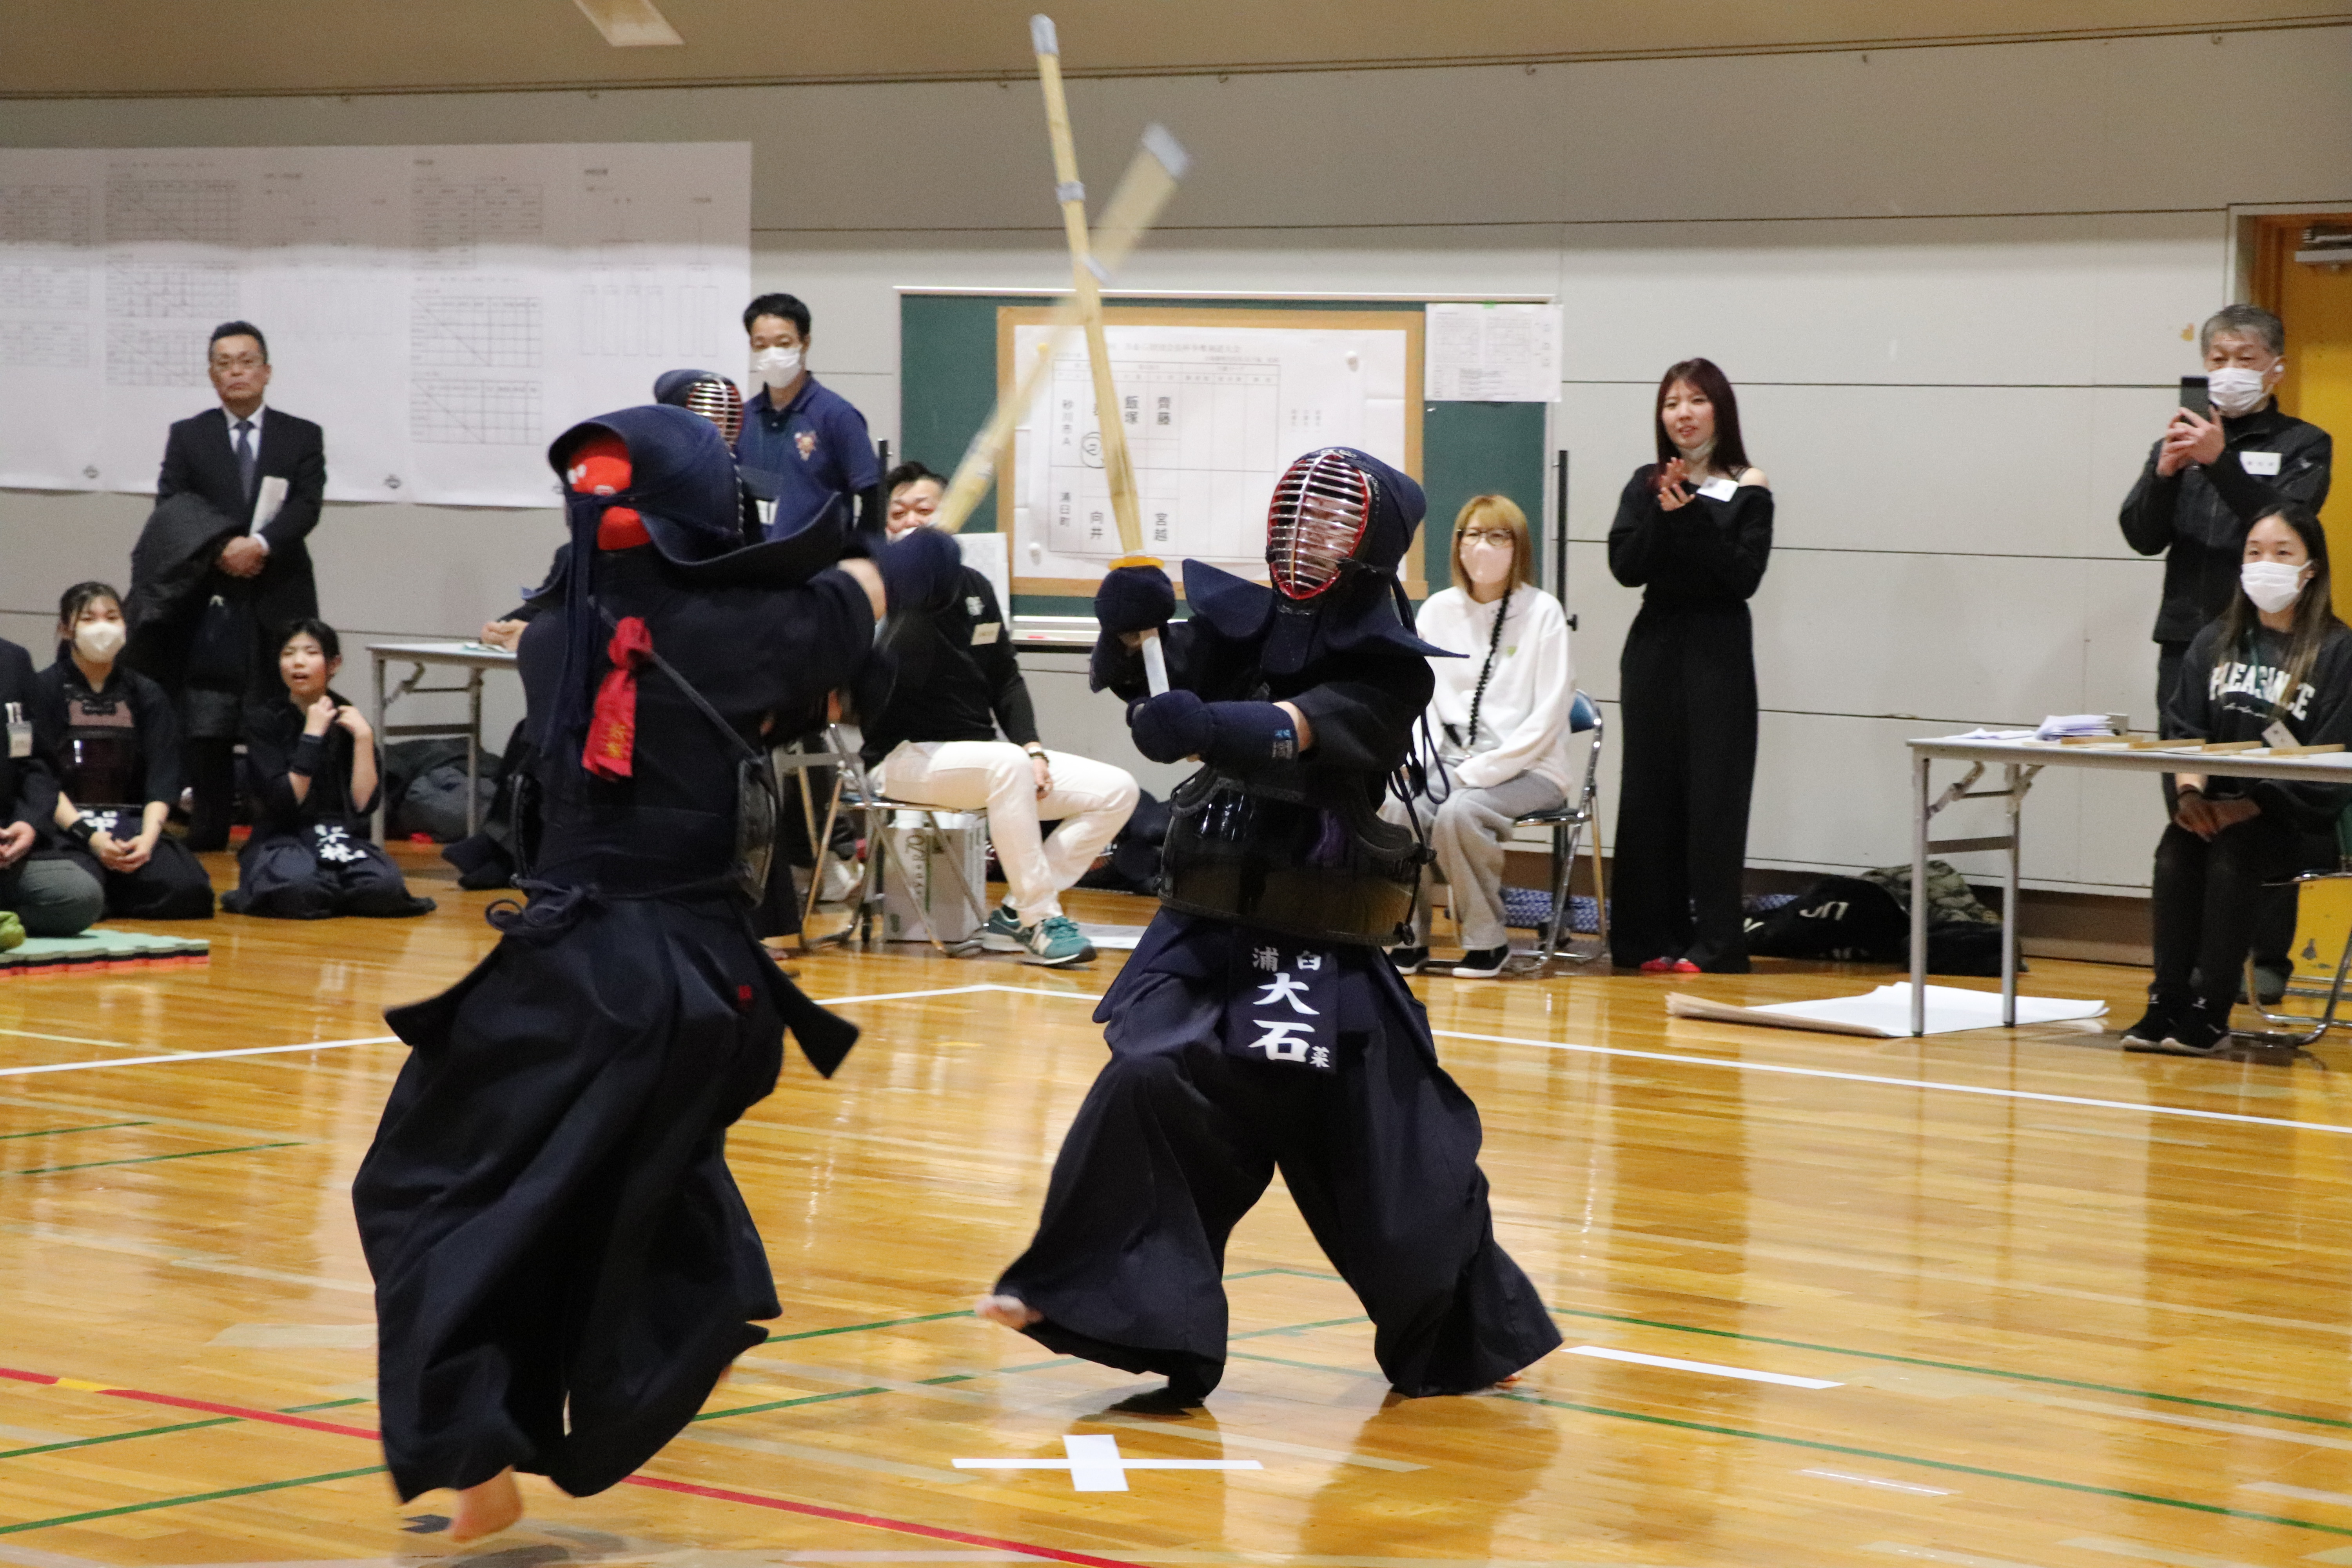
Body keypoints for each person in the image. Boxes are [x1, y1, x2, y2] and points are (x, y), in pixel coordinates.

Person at [353, 403, 960, 1540]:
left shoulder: (554, 633)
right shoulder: (742, 634)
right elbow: (843, 613)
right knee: (620, 1179)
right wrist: (912, 562)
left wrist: (870, 587)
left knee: (429, 1184)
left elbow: (794, 635)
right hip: (691, 981)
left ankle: (484, 1439)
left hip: (596, 975)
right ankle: (687, 1328)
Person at [975, 446, 1562, 1407]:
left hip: (1323, 944)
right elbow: (1156, 676)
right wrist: (1127, 630)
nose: (1307, 535)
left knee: (1402, 1164)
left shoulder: (1389, 670)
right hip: (1211, 924)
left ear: (1369, 543)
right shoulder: (1238, 625)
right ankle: (1120, 1309)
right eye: (1299, 514)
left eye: (1333, 519)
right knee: (1148, 1079)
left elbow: (1301, 725)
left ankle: (1471, 1332)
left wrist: (1208, 727)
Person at [2119, 303, 2332, 1002]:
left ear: (2276, 368)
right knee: (2192, 802)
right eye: (2218, 359)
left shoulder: (2305, 444)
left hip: (2275, 643)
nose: (2230, 371)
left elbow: (2286, 522)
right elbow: (2141, 535)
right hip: (2190, 640)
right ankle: (2195, 969)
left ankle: (2267, 959)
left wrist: (2222, 462)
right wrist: (2164, 472)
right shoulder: (2180, 437)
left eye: (2245, 359)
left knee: (2266, 802)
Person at [862, 461, 1138, 966]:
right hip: (901, 760)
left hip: (981, 763)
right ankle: (1039, 918)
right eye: (898, 513)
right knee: (1006, 764)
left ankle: (1013, 912)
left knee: (1116, 790)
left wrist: (1033, 748)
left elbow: (1006, 678)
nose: (911, 521)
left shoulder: (976, 588)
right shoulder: (881, 593)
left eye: (924, 510)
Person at [2126, 505, 2352, 1057]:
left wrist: (2244, 809)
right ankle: (2167, 1000)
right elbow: (2185, 733)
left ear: (2311, 569)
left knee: (2234, 851)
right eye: (2254, 552)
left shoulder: (2337, 650)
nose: (2265, 563)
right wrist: (2190, 796)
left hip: (2299, 822)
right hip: (2217, 809)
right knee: (2176, 848)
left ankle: (2213, 1009)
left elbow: (2335, 760)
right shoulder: (2214, 640)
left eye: (2282, 552)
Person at [1607, 357, 1772, 974]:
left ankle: (1716, 943)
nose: (1683, 413)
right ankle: (1650, 937)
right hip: (1655, 645)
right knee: (1649, 792)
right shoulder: (1645, 483)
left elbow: (1742, 577)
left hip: (1718, 647)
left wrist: (1692, 516)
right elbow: (1627, 568)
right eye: (1672, 402)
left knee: (1714, 795)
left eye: (1696, 401)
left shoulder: (1749, 484)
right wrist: (1661, 512)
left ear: (1719, 410)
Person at [148, 321, 327, 851]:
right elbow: (172, 504)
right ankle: (208, 828)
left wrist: (261, 545)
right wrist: (223, 547)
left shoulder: (301, 435)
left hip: (280, 591)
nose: (236, 372)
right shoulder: (190, 435)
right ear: (212, 375)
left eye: (246, 362)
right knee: (208, 715)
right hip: (211, 592)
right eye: (224, 364)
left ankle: (278, 828)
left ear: (266, 371)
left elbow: (307, 506)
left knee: (276, 708)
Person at [1384, 494, 1575, 978]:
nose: (1482, 546)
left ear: (1518, 547)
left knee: (1460, 812)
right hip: (1450, 760)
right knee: (1400, 807)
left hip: (1530, 767)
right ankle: (1406, 935)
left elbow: (1549, 714)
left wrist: (1480, 772)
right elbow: (1421, 699)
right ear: (1457, 545)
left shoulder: (1543, 612)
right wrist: (1413, 760)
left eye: (1497, 536)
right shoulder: (1438, 611)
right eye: (1472, 535)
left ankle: (1487, 941)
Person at [220, 620, 433, 920]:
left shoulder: (347, 715)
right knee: (298, 887)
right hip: (282, 836)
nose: (298, 662)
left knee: (384, 888)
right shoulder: (264, 719)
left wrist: (364, 738)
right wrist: (311, 736)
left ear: (334, 664)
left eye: (311, 653)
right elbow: (285, 802)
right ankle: (323, 888)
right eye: (289, 653)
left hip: (336, 835)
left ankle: (332, 887)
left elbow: (365, 805)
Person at [38, 583, 214, 920]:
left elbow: (163, 776)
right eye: (89, 618)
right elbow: (41, 778)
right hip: (67, 827)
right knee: (78, 890)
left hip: (128, 822)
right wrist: (91, 838)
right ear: (66, 628)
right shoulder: (43, 689)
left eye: (112, 617)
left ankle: (114, 891)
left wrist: (147, 840)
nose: (102, 627)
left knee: (188, 889)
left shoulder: (147, 694)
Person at [733, 292, 880, 541]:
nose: (772, 354)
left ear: (805, 342)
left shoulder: (837, 415)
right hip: (752, 559)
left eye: (784, 344)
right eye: (761, 345)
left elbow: (873, 496)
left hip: (818, 562)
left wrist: (857, 554)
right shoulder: (741, 418)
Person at [0, 635, 104, 938]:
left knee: (80, 896)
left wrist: (28, 823)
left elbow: (39, 762)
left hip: (5, 846)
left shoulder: (14, 660)